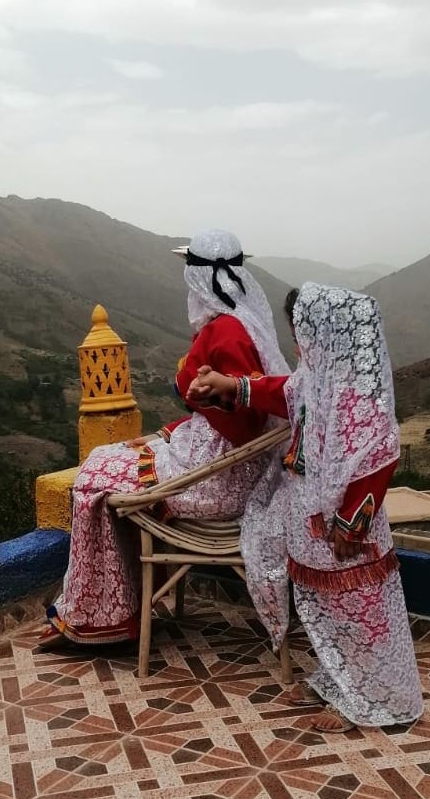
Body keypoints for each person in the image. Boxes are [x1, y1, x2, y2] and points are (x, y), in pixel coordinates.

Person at [38, 229, 289, 652]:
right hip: (232, 467)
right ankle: (114, 604)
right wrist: (181, 427)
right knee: (111, 457)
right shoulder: (243, 325)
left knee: (93, 474)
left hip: (217, 483)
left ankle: (102, 615)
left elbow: (244, 421)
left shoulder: (224, 333)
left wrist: (214, 398)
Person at [188, 283, 423, 733]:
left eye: (301, 334)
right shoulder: (315, 382)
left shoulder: (361, 399)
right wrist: (230, 386)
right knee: (326, 611)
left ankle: (375, 701)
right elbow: (280, 392)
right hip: (312, 524)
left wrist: (352, 524)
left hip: (343, 533)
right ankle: (338, 680)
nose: (297, 344)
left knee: (362, 615)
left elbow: (379, 456)